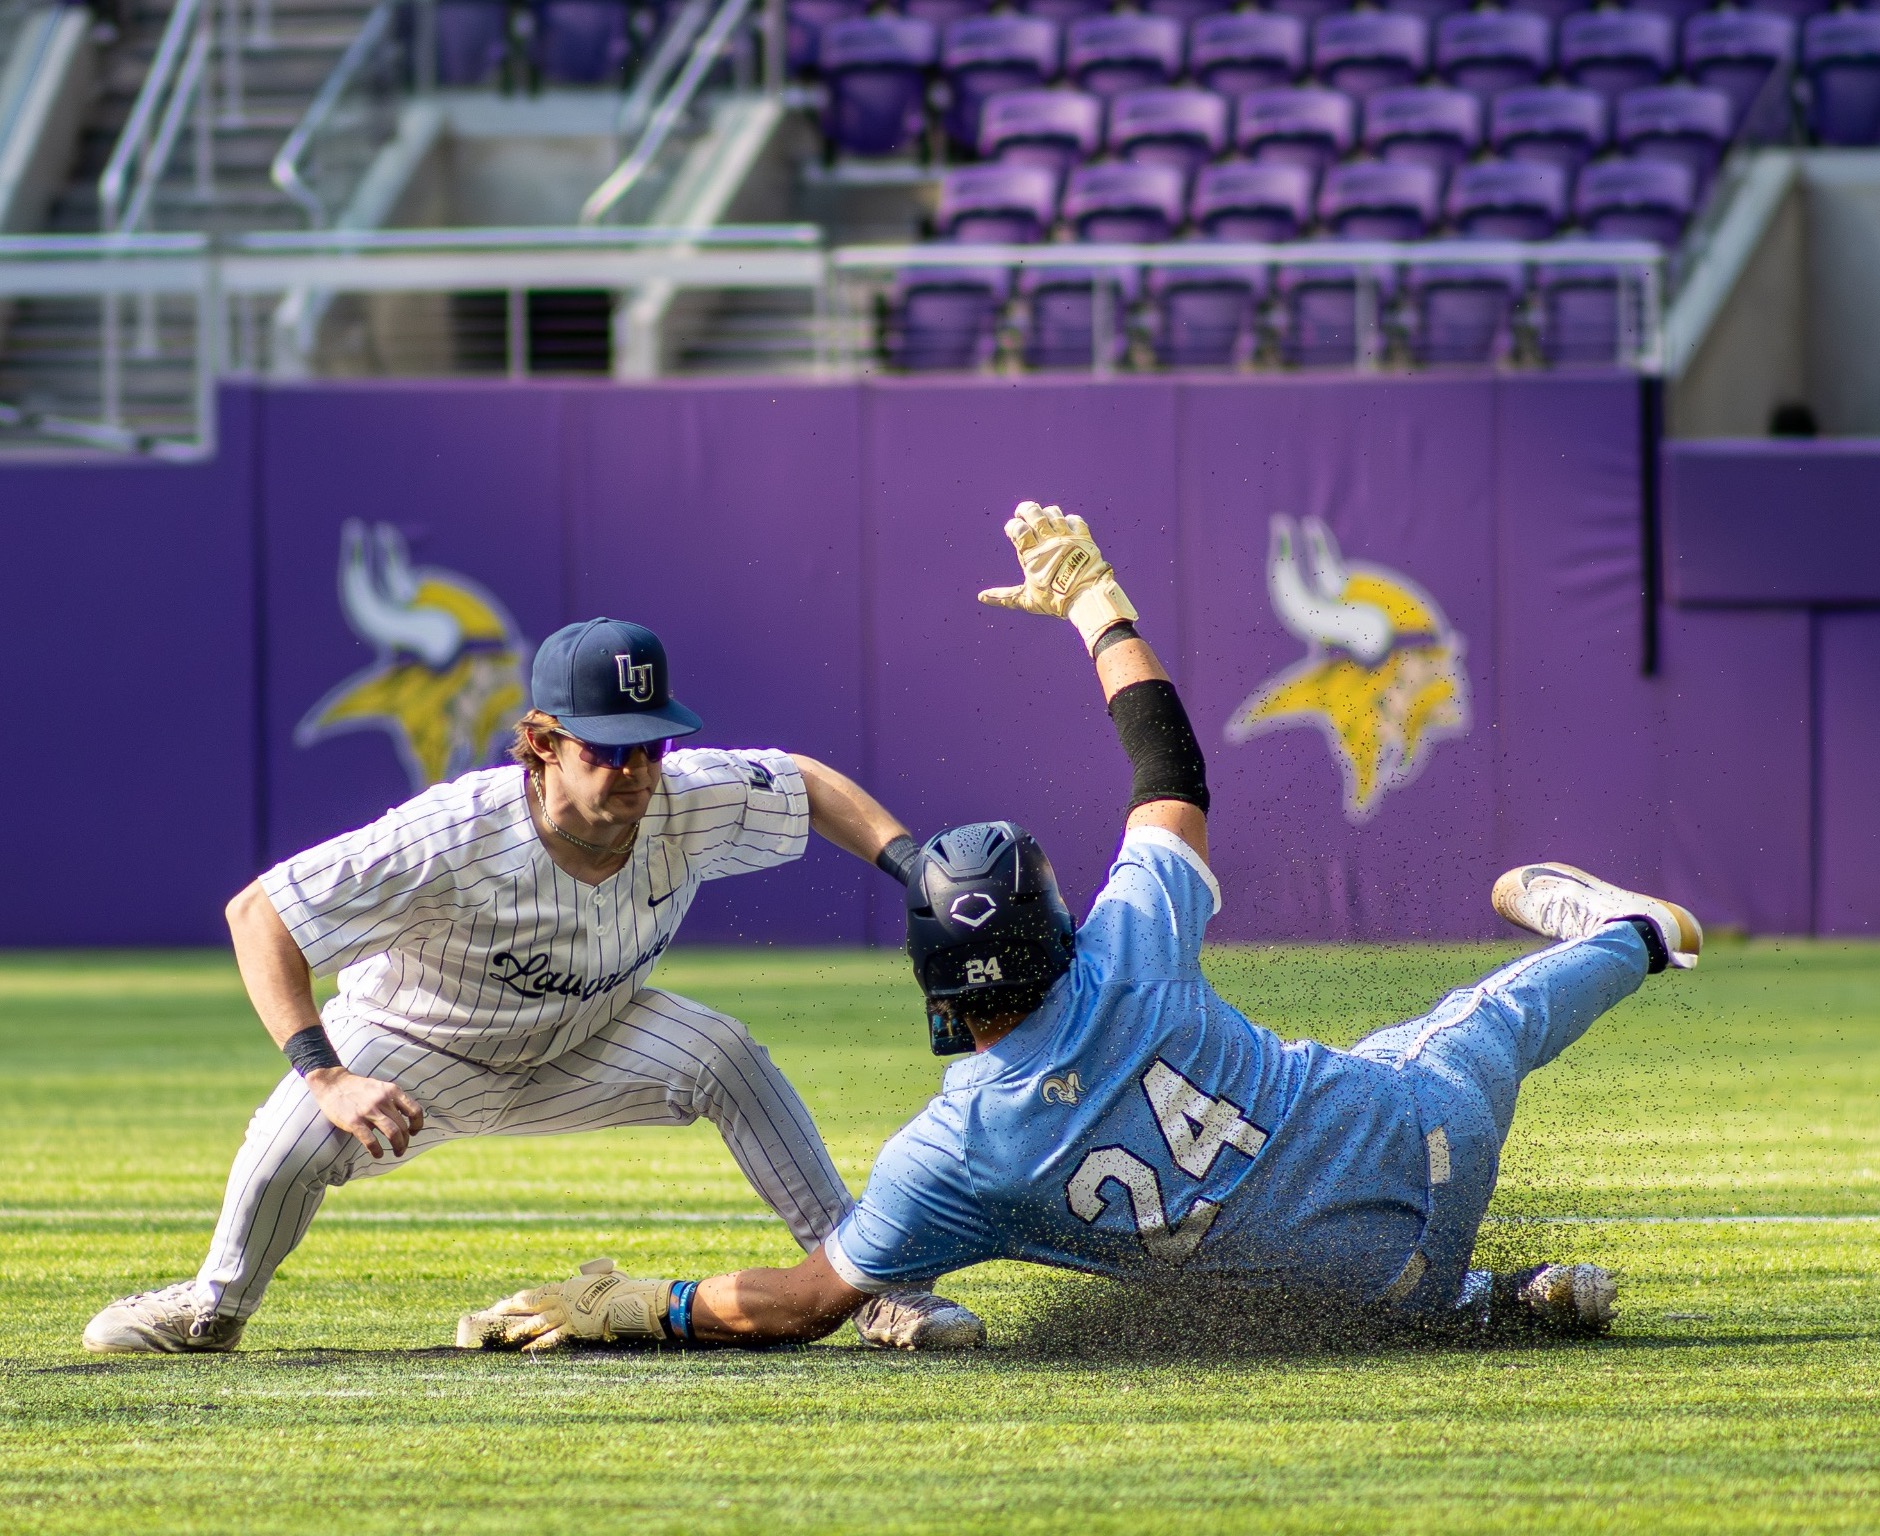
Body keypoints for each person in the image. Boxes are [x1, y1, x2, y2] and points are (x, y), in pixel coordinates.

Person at [450, 509, 1702, 1354]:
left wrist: (633, 1306)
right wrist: (1099, 606)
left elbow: (800, 1301)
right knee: (1483, 1024)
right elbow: (1173, 773)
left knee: (1298, 1272)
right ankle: (1633, 941)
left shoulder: (957, 1155)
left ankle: (1484, 1301)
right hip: (1427, 1136)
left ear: (936, 983)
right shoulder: (1131, 950)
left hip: (1378, 1293)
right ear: (1057, 923)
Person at [84, 617, 982, 1354]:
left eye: (651, 743)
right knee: (287, 1147)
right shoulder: (451, 834)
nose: (633, 769)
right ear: (543, 743)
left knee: (723, 1051)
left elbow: (809, 784)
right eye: (606, 749)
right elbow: (259, 914)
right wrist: (326, 1073)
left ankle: (875, 1287)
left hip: (585, 1040)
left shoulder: (683, 798)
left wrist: (913, 870)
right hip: (414, 1048)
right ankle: (213, 1307)